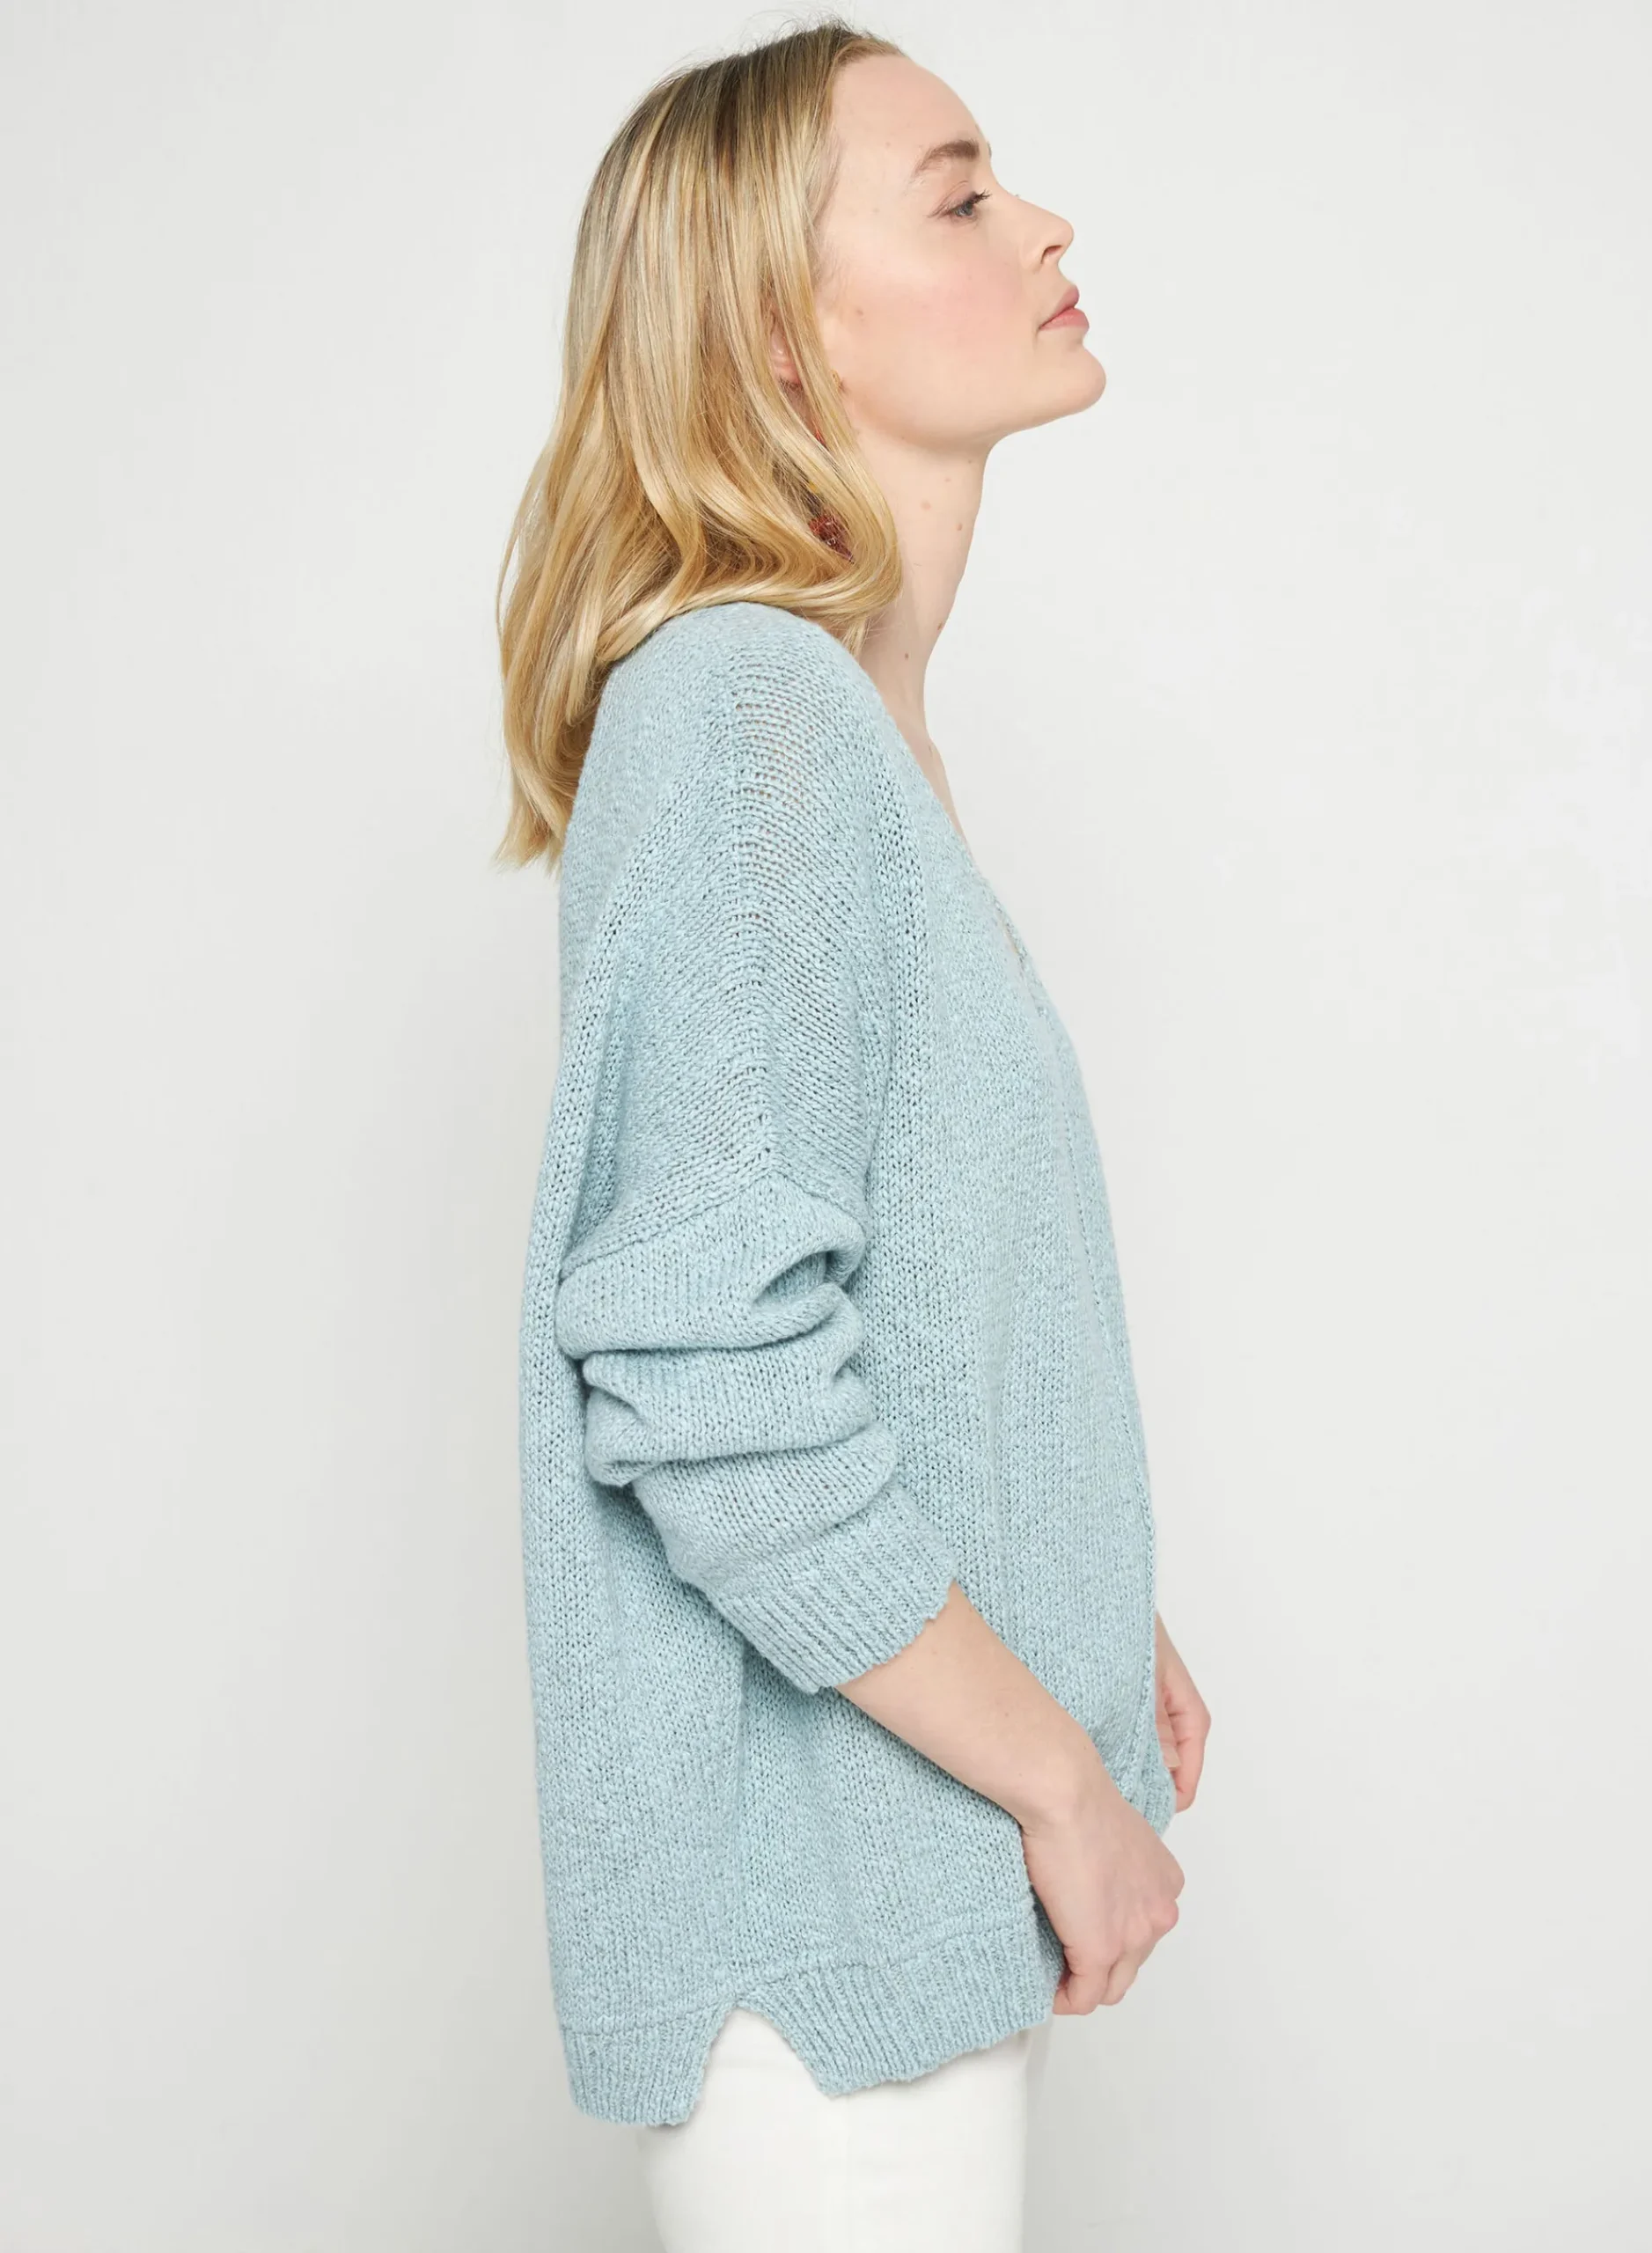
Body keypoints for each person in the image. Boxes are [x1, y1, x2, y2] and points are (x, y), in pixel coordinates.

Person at [495, 18, 1211, 2249]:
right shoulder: (748, 720)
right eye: (959, 192)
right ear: (777, 333)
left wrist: (1080, 1606)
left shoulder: (842, 734)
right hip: (816, 1961)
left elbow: (895, 1298)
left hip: (876, 1910)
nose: (1043, 223)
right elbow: (705, 1376)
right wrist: (1057, 1777)